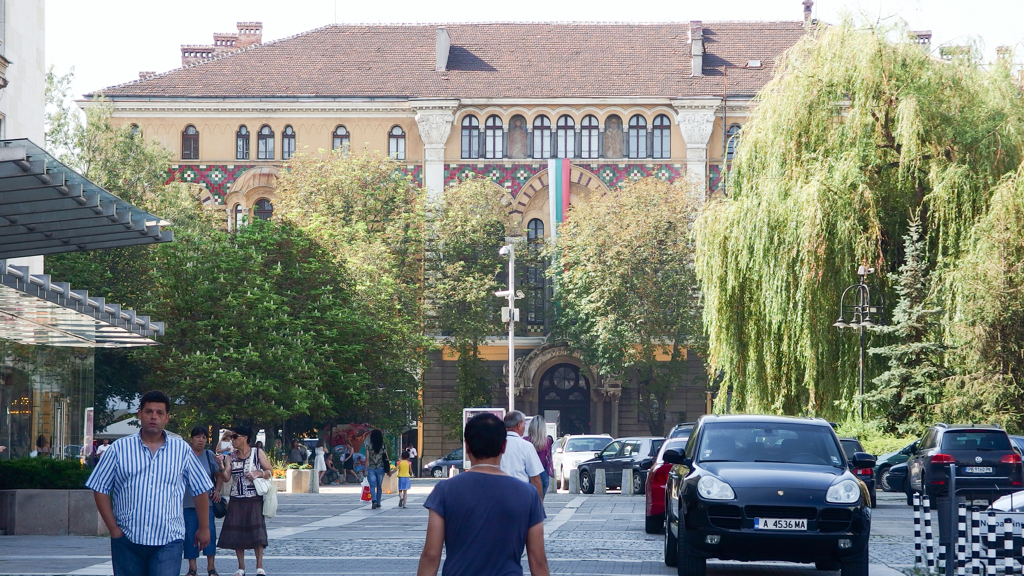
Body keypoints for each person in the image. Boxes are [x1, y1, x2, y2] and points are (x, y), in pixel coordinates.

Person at [85, 390, 214, 576]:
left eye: (159, 413)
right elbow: (100, 487)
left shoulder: (182, 450)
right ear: (140, 414)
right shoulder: (119, 449)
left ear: (167, 418)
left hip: (169, 540)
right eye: (149, 411)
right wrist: (113, 529)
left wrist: (203, 528)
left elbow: (200, 489)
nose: (154, 417)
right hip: (127, 539)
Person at [417, 412, 549, 576]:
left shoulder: (445, 490)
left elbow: (431, 555)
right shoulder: (528, 494)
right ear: (503, 446)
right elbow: (538, 560)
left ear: (467, 446)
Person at [218, 425, 272, 576]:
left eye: (235, 437)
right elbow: (226, 477)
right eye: (231, 437)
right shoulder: (231, 456)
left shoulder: (257, 452)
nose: (232, 440)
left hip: (254, 498)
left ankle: (259, 566)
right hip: (236, 499)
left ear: (245, 438)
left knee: (257, 533)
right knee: (237, 533)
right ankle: (241, 567)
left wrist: (259, 473)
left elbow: (270, 471)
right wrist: (221, 466)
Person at [183, 426, 225, 576]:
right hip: (187, 503)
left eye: (204, 437)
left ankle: (211, 567)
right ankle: (192, 568)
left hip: (207, 502)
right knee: (189, 535)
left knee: (210, 533)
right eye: (197, 437)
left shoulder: (209, 455)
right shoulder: (184, 455)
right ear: (191, 439)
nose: (201, 440)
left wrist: (217, 491)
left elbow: (219, 475)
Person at [498, 411, 545, 500]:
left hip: (498, 496)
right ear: (519, 426)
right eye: (524, 424)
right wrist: (539, 503)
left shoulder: (494, 444)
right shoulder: (526, 446)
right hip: (519, 496)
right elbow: (535, 478)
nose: (525, 427)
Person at [524, 416, 554, 501]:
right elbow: (547, 459)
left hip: (528, 473)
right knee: (540, 501)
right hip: (543, 473)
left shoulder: (525, 441)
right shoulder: (548, 441)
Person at [365, 429, 390, 509]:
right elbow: (386, 458)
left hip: (371, 468)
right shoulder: (383, 445)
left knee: (372, 485)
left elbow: (367, 459)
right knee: (379, 486)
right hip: (381, 467)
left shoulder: (369, 445)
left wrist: (365, 470)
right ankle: (378, 502)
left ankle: (374, 500)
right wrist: (388, 469)